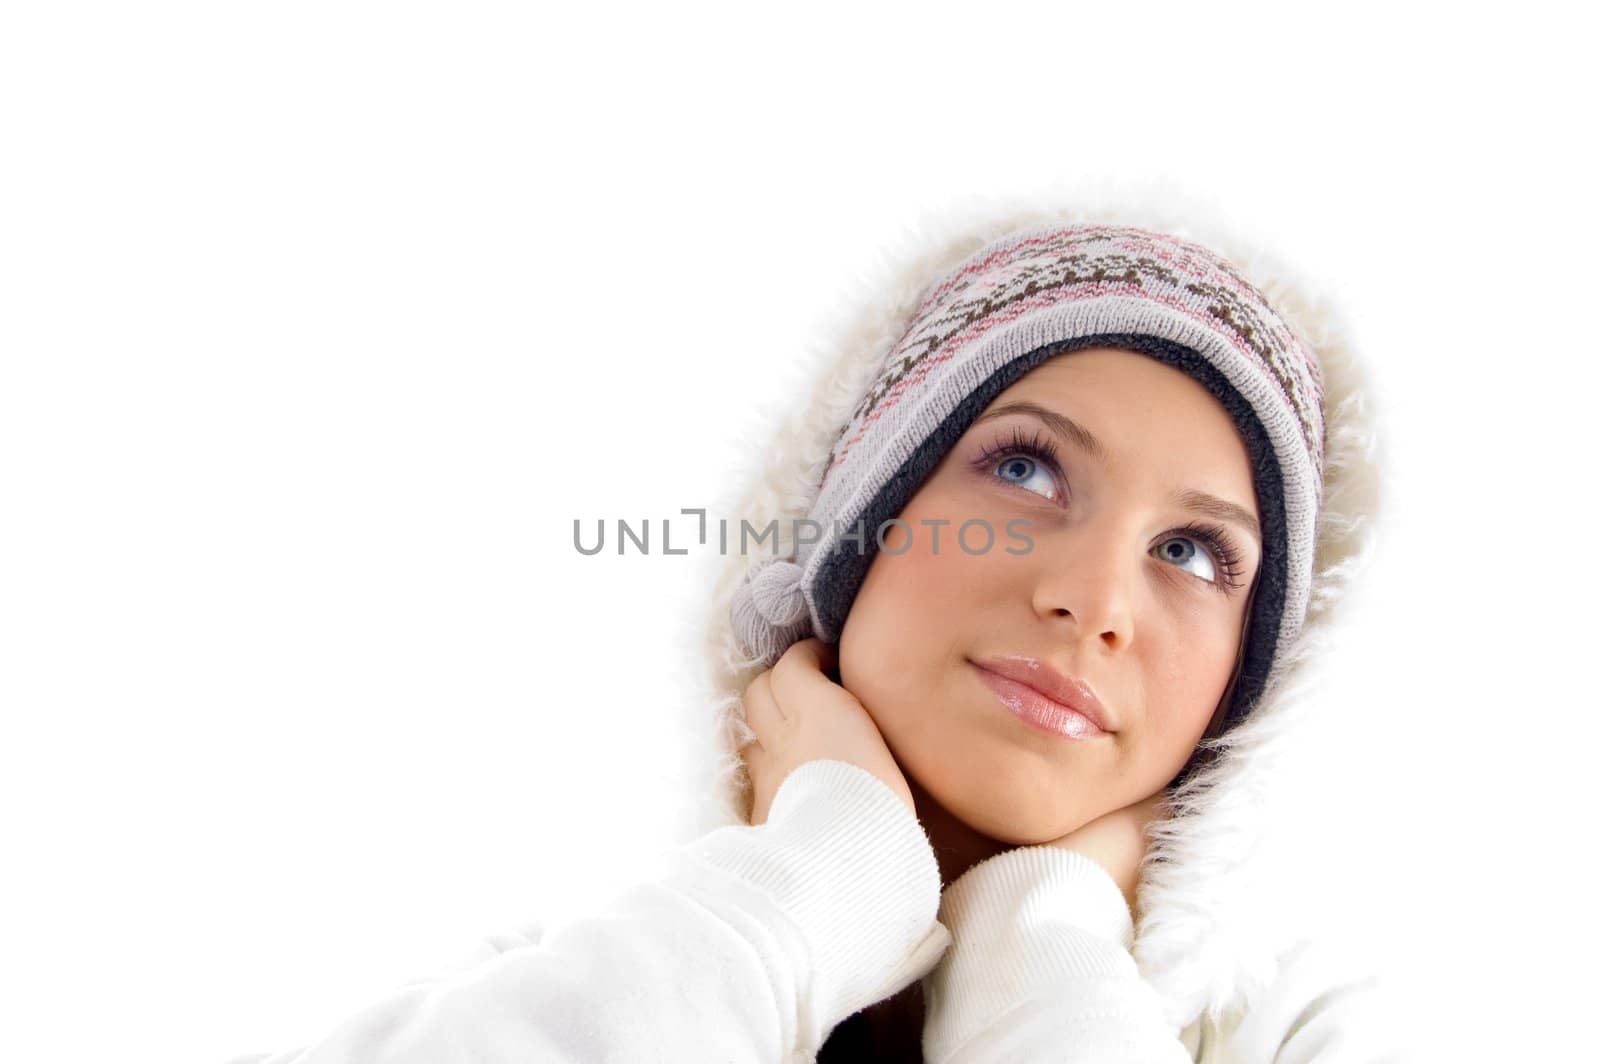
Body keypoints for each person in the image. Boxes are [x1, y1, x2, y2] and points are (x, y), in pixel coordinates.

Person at [227, 200, 1401, 1062]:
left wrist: (1045, 948)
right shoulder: (562, 972)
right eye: (1027, 465)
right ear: (860, 517)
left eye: (1192, 552)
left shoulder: (1313, 1030)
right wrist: (825, 873)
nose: (1092, 602)